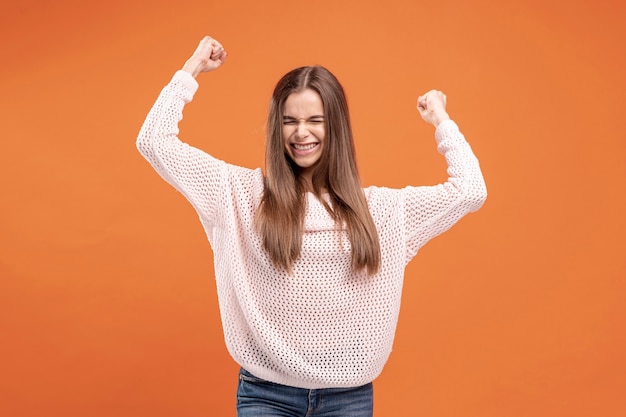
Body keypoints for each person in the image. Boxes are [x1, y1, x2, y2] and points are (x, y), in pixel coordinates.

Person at [137, 35, 487, 417]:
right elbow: (153, 141)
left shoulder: (381, 212)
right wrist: (191, 71)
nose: (301, 132)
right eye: (290, 121)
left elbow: (471, 190)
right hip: (264, 396)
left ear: (334, 126)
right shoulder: (239, 195)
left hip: (348, 398)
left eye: (314, 120)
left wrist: (442, 121)